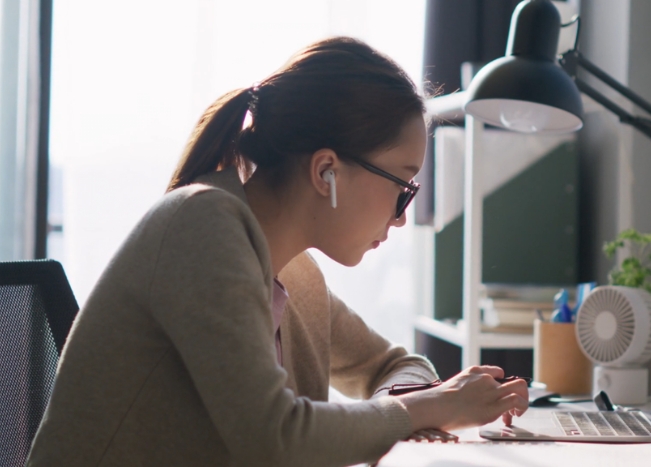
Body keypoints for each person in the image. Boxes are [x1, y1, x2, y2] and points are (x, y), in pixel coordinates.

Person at [27, 36, 528, 466]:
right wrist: (426, 409)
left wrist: (423, 400)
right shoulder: (203, 226)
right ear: (326, 171)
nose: (401, 215)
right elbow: (273, 436)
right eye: (403, 185)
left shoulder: (294, 272)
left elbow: (395, 364)